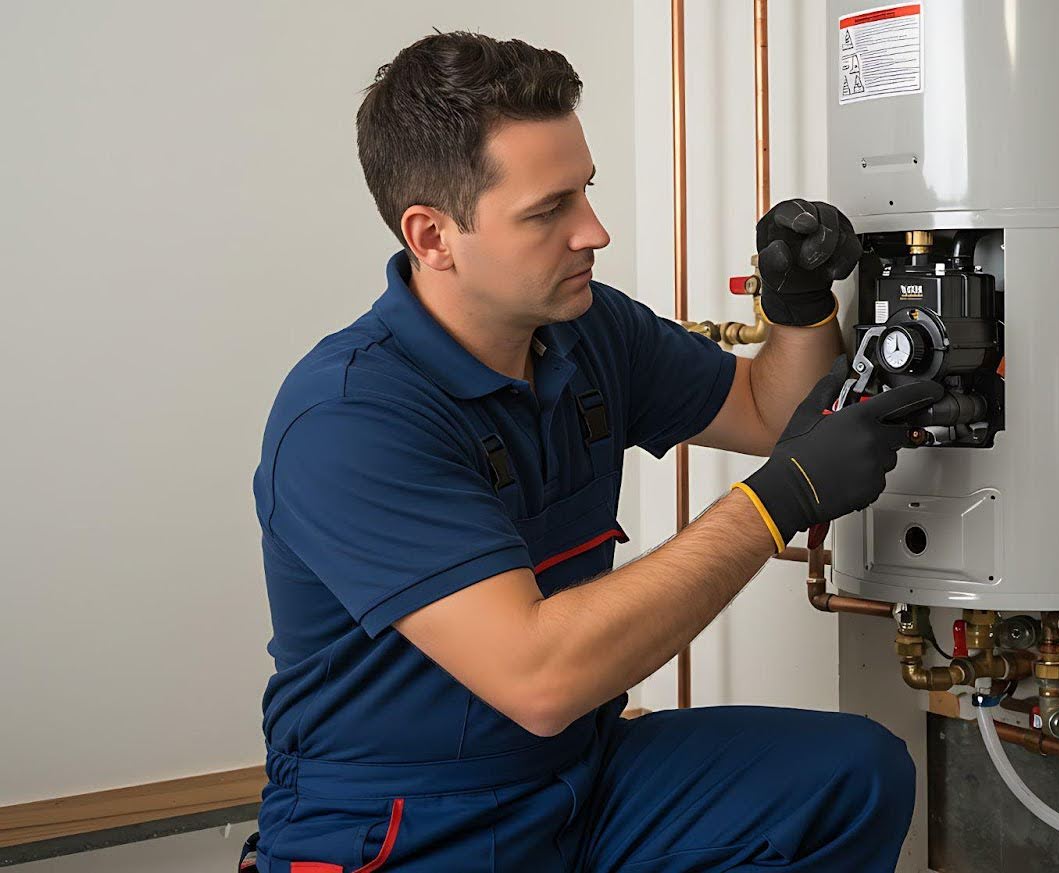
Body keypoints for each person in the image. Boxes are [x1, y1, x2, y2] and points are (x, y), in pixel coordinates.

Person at [246, 31, 942, 873]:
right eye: (549, 211)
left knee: (852, 778)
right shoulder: (349, 417)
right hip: (403, 823)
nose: (595, 232)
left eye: (586, 192)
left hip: (578, 777)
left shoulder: (586, 330)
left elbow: (769, 410)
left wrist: (797, 304)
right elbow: (539, 678)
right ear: (432, 237)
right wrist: (773, 504)